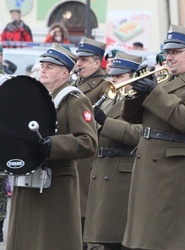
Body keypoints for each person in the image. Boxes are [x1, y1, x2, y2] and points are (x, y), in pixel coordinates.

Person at [121, 24, 185, 249]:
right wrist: (137, 92)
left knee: (167, 236)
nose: (170, 58)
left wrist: (154, 92)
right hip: (150, 163)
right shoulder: (167, 82)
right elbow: (131, 117)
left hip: (175, 169)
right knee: (143, 236)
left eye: (176, 52)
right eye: (168, 53)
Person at [6, 43, 97, 249]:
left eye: (50, 66)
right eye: (43, 65)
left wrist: (54, 145)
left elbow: (89, 141)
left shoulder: (74, 100)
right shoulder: (34, 97)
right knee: (25, 240)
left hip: (56, 184)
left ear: (65, 73)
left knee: (51, 240)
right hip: (28, 178)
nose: (43, 69)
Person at [84, 52, 143, 250]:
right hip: (103, 169)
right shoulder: (109, 98)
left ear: (135, 76)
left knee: (120, 237)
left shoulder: (141, 100)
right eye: (112, 76)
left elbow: (138, 134)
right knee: (104, 238)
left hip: (123, 172)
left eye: (119, 77)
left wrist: (104, 121)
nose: (113, 80)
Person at [72, 36, 110, 249]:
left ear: (97, 63)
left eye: (85, 60)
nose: (79, 64)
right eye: (79, 59)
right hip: (75, 155)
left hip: (89, 159)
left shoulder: (104, 85)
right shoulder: (76, 82)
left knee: (86, 213)